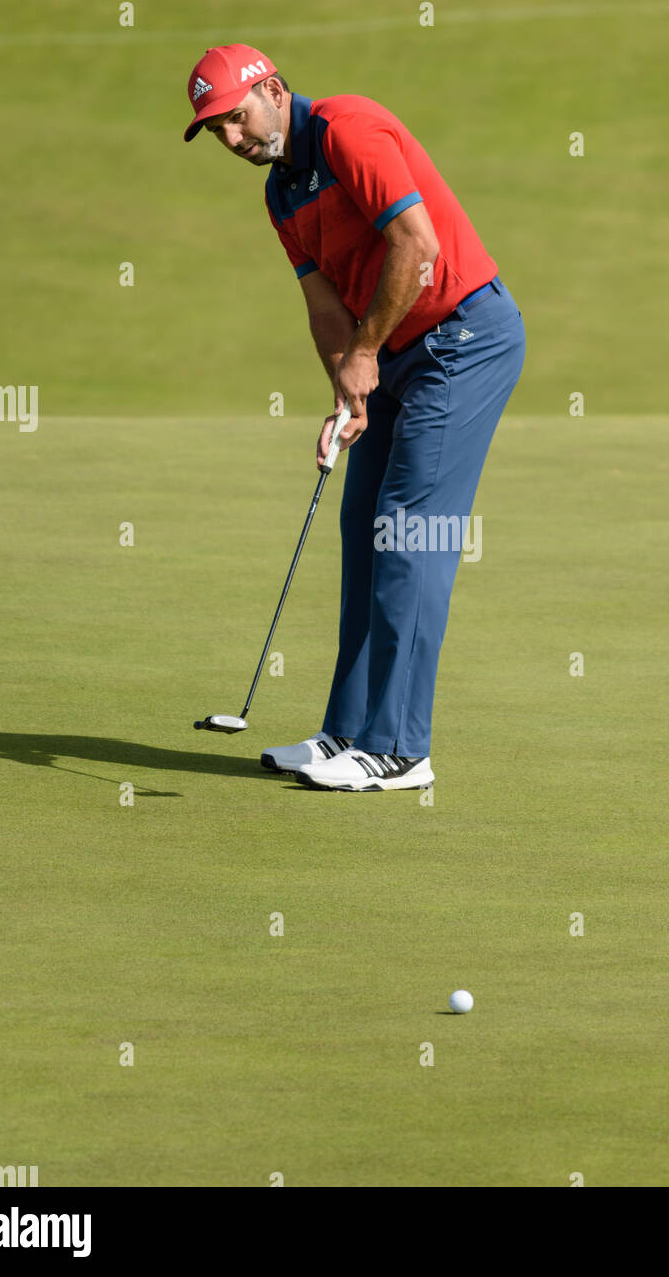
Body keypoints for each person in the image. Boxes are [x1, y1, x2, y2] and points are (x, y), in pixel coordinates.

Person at [184, 44, 525, 791]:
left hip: (462, 338)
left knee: (410, 534)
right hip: (393, 352)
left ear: (273, 90)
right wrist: (347, 393)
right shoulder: (280, 194)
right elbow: (323, 305)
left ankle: (401, 749)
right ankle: (348, 733)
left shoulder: (349, 130)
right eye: (216, 132)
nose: (234, 140)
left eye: (237, 118)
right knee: (364, 531)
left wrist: (366, 352)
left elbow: (417, 246)